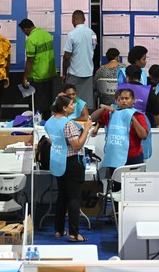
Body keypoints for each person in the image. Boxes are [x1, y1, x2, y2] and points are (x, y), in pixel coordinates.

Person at [44, 95, 92, 242]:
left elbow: (50, 141)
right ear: (65, 108)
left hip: (58, 161)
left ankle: (58, 230)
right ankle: (74, 233)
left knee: (62, 197)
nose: (74, 107)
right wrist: (86, 129)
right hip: (72, 163)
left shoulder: (50, 122)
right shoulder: (68, 124)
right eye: (72, 104)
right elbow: (77, 145)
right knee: (74, 198)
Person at [93, 88, 148, 168]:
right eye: (122, 98)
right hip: (115, 157)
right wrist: (103, 108)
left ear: (133, 100)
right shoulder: (112, 113)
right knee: (115, 180)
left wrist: (132, 119)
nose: (124, 101)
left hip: (133, 156)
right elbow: (92, 118)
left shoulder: (138, 116)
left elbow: (144, 136)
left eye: (127, 98)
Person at [19, 18, 57, 121]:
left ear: (26, 29)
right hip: (49, 75)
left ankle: (37, 126)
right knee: (48, 103)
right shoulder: (47, 35)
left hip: (37, 76)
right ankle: (48, 124)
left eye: (23, 31)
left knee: (36, 106)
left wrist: (25, 77)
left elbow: (30, 60)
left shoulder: (31, 39)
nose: (25, 34)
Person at [61, 10, 97, 110]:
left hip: (74, 72)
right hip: (88, 72)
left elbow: (67, 56)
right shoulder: (93, 34)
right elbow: (93, 49)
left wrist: (64, 74)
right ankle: (86, 120)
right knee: (86, 101)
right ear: (84, 19)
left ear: (73, 20)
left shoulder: (72, 34)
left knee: (70, 100)